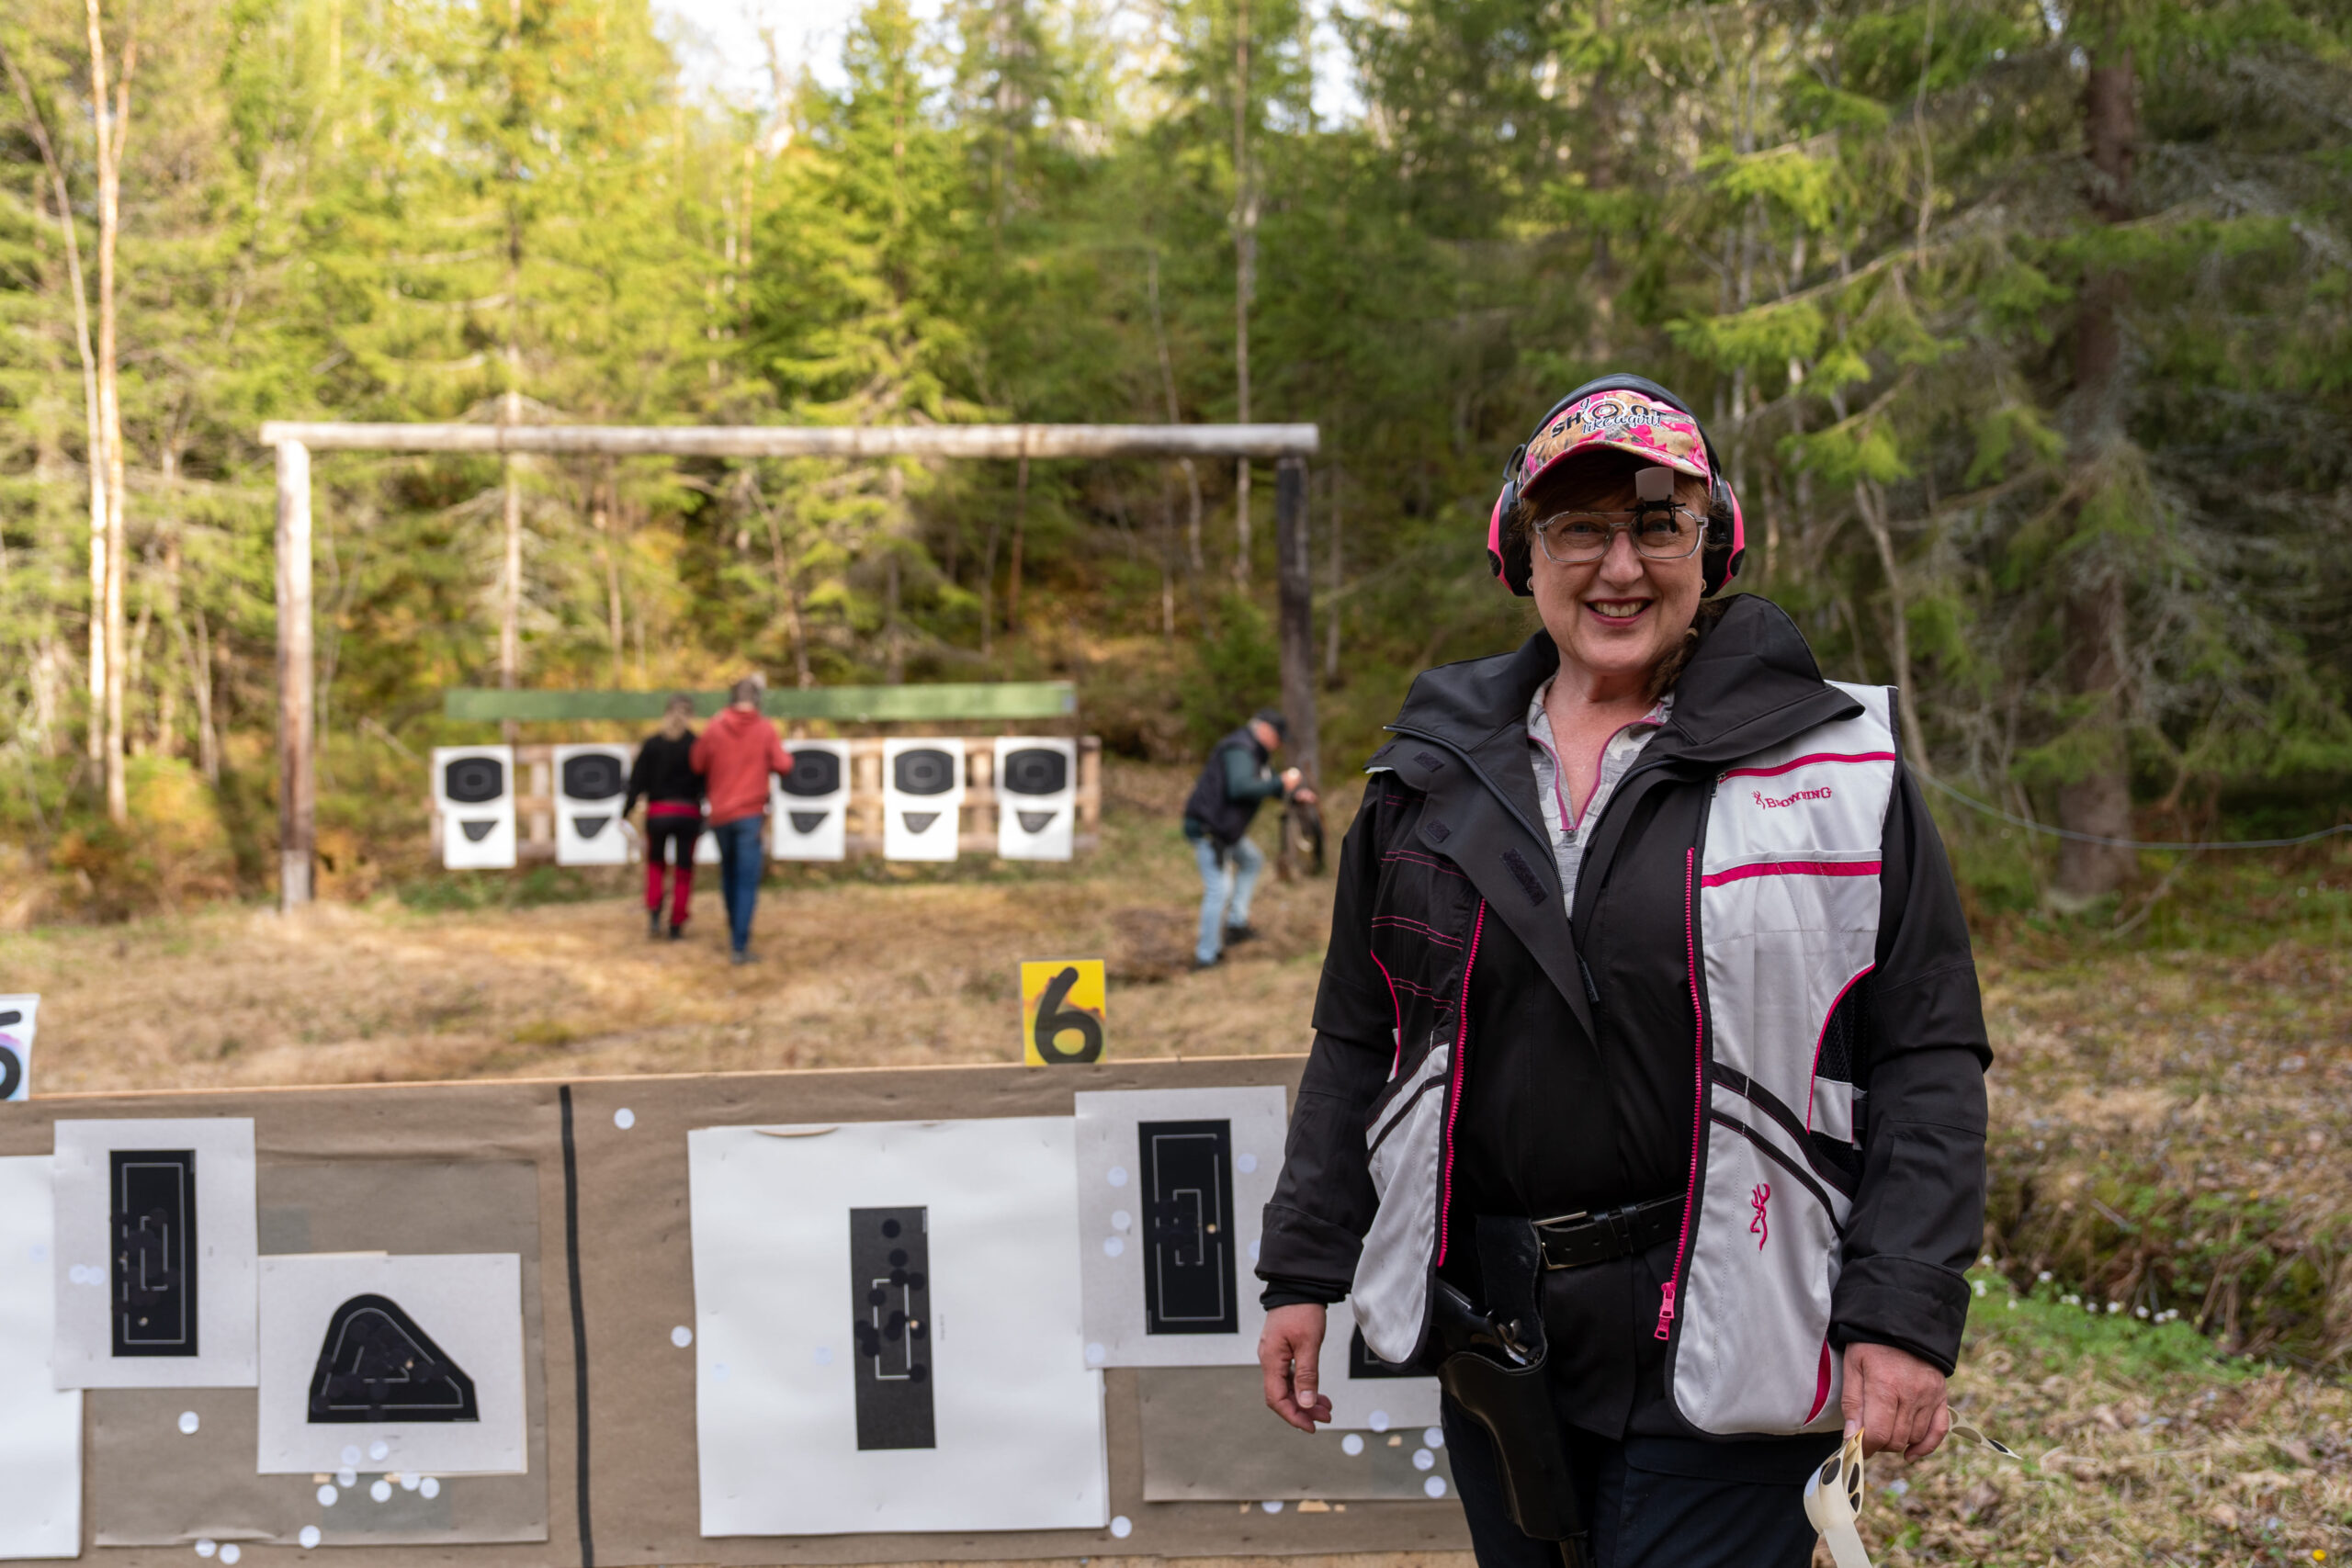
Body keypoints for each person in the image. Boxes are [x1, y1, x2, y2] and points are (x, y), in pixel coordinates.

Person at [1253, 377, 1990, 1568]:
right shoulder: (1428, 779)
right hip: (1503, 1324)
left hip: (1741, 1304)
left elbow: (1925, 1053)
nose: (1620, 565)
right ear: (1518, 548)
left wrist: (1902, 1309)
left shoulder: (1833, 771)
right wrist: (1303, 1264)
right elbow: (1360, 1035)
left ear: (1718, 540)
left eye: (1659, 522)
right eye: (1578, 526)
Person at [1182, 708, 1317, 970]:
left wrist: (1293, 793)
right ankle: (1206, 956)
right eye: (1278, 736)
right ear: (1264, 729)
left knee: (1252, 860)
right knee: (1219, 889)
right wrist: (1281, 783)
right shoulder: (1241, 749)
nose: (1279, 743)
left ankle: (1236, 923)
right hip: (1211, 831)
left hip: (1226, 830)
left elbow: (1263, 782)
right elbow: (1241, 788)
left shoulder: (1255, 753)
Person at [689, 675, 794, 965]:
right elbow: (784, 764)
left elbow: (696, 762)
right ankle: (739, 943)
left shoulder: (714, 727)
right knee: (746, 881)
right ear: (756, 699)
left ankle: (735, 935)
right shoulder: (764, 729)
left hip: (721, 814)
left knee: (729, 875)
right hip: (749, 815)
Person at [622, 694, 706, 941]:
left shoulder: (652, 744)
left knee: (656, 866)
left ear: (666, 712)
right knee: (683, 871)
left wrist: (625, 812)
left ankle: (655, 915)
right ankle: (677, 924)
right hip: (688, 813)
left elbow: (636, 783)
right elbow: (706, 781)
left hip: (658, 814)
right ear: (691, 715)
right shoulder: (696, 745)